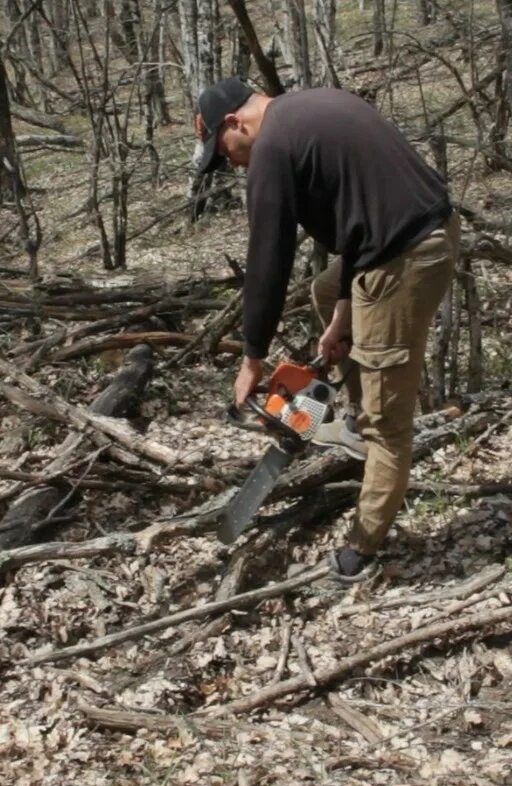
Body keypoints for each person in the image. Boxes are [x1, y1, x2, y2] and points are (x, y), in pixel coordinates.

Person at [194, 77, 460, 584]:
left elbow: (267, 260)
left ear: (235, 122)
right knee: (324, 289)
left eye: (223, 151)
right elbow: (361, 219)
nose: (230, 162)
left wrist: (252, 358)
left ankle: (362, 547)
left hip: (407, 258)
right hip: (397, 240)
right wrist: (343, 314)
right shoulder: (312, 108)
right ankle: (358, 424)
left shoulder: (271, 147)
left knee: (390, 422)